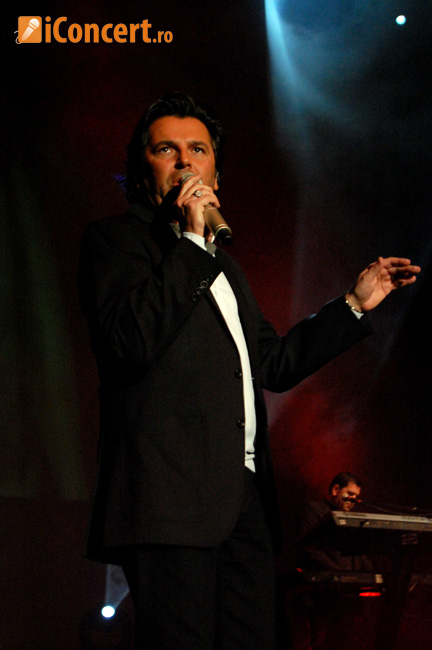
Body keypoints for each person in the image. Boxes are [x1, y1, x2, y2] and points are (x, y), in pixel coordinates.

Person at [78, 92, 420, 650]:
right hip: (168, 501)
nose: (185, 161)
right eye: (167, 149)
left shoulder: (224, 266)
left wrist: (354, 305)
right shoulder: (115, 241)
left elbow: (273, 364)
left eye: (198, 150)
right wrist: (193, 242)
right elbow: (129, 342)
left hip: (244, 498)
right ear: (143, 170)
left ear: (216, 172)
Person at [294, 473, 378, 649]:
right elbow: (309, 549)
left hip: (345, 593)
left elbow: (359, 553)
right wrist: (340, 574)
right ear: (335, 489)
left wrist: (373, 575)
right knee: (319, 637)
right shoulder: (314, 510)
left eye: (356, 496)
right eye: (350, 494)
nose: (353, 500)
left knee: (345, 637)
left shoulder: (350, 518)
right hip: (319, 591)